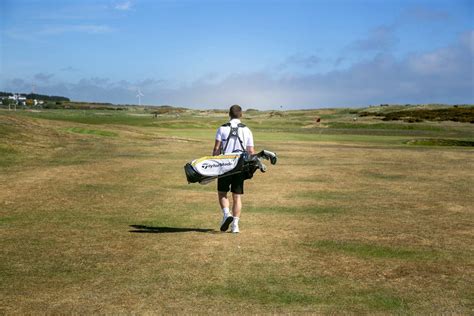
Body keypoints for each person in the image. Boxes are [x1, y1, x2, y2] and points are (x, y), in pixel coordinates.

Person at [213, 104, 255, 233]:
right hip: (239, 165)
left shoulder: (222, 128)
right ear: (241, 114)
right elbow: (251, 151)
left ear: (229, 114)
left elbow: (216, 149)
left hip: (224, 165)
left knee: (222, 193)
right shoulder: (247, 130)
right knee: (237, 196)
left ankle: (227, 214)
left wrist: (214, 162)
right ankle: (235, 225)